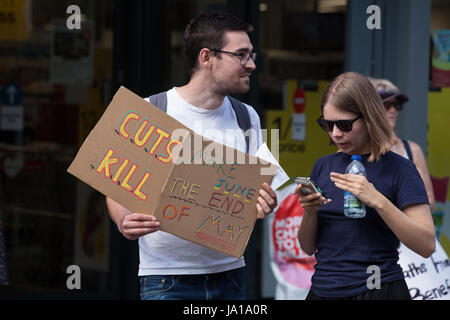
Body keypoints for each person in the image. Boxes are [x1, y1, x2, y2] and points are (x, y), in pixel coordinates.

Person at [106, 11, 277, 300]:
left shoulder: (247, 117)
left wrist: (265, 201)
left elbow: (258, 190)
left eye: (252, 55)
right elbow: (116, 187)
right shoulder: (151, 111)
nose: (251, 65)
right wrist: (123, 219)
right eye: (242, 55)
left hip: (231, 276)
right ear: (207, 57)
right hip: (166, 279)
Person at [295, 72, 435, 300]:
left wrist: (378, 201)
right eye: (328, 125)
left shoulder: (400, 169)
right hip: (323, 290)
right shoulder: (323, 166)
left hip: (378, 288)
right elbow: (308, 248)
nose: (336, 133)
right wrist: (309, 213)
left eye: (345, 124)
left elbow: (426, 245)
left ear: (369, 117)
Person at [368, 77, 436, 212]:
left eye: (397, 105)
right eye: (386, 104)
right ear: (371, 108)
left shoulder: (411, 149)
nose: (393, 110)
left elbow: (430, 202)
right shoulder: (356, 148)